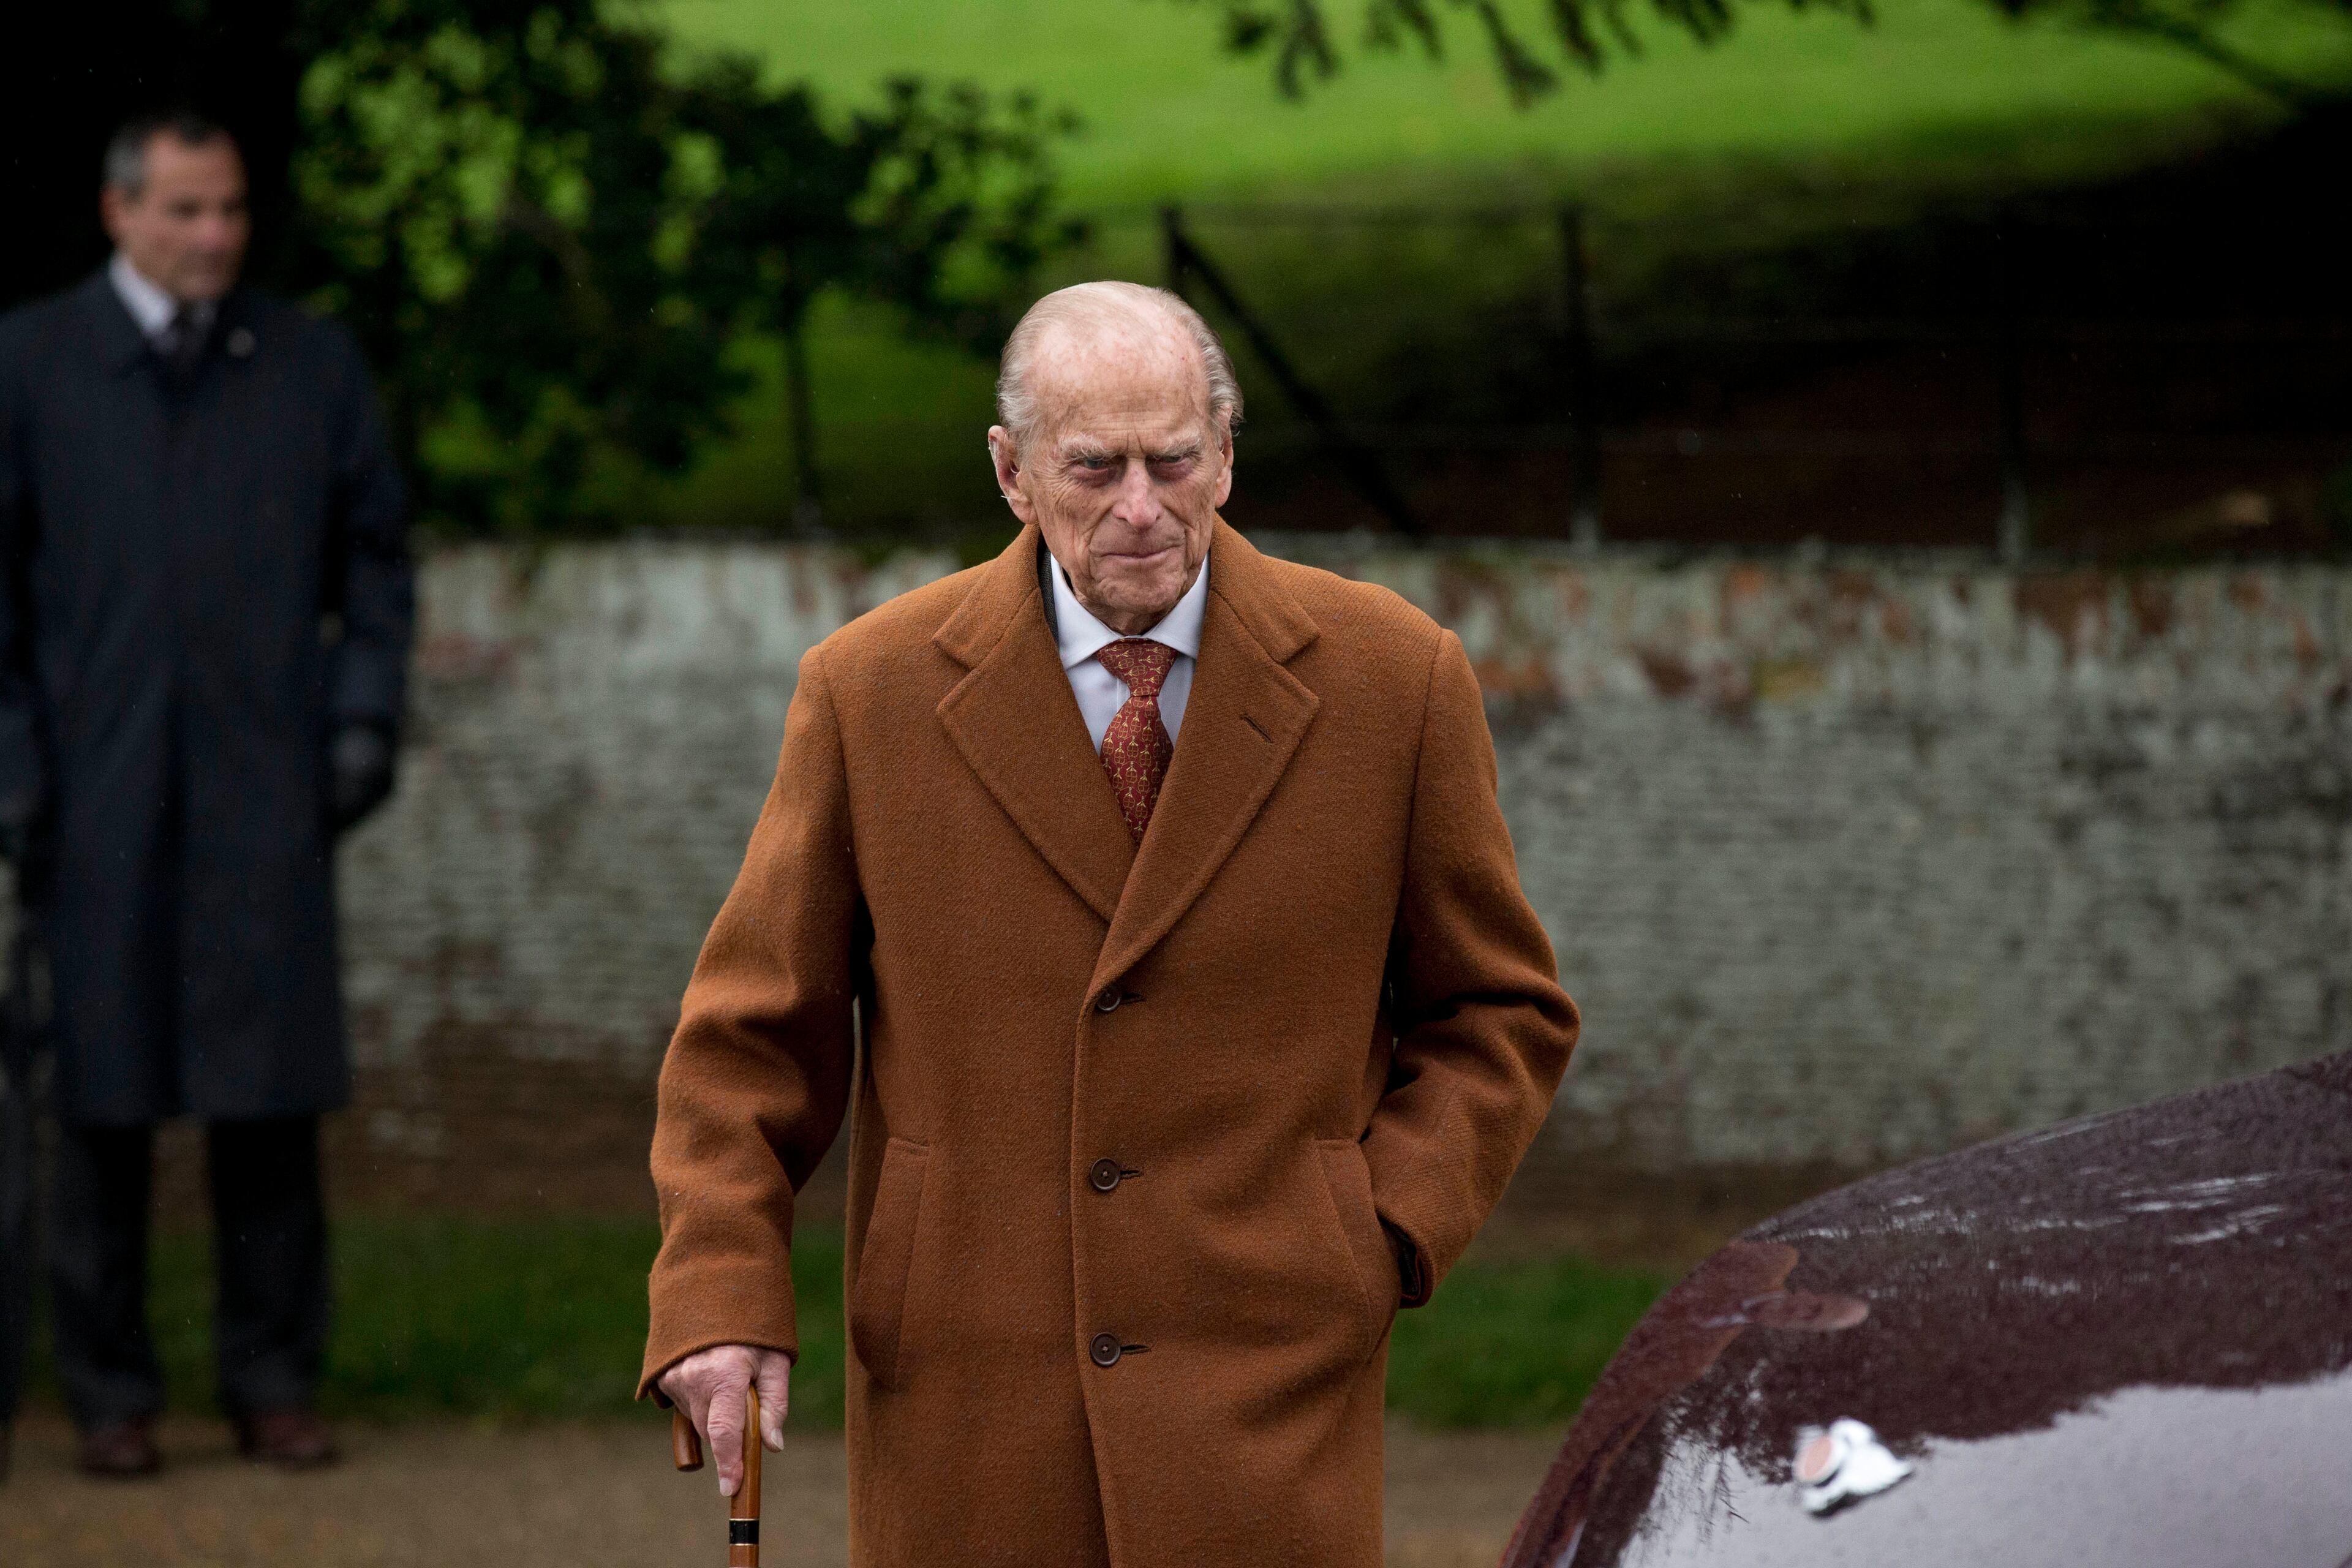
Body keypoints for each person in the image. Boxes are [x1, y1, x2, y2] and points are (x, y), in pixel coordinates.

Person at [641, 281, 1578, 1566]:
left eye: (1174, 460)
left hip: (1271, 1379)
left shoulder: (1393, 679)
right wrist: (717, 1293)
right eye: (1095, 467)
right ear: (1012, 473)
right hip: (968, 1389)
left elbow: (1501, 1009)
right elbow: (747, 1040)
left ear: (1227, 456)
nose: (1142, 506)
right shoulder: (869, 693)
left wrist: (1374, 1231)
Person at [0, 110, 413, 1477]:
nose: (216, 234)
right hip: (91, 799)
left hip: (263, 792)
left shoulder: (307, 363)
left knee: (269, 1105)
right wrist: (17, 772)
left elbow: (375, 565)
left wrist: (360, 724)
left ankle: (273, 1382)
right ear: (118, 212)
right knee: (100, 1106)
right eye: (185, 209)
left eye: (230, 208)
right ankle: (110, 1395)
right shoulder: (32, 364)